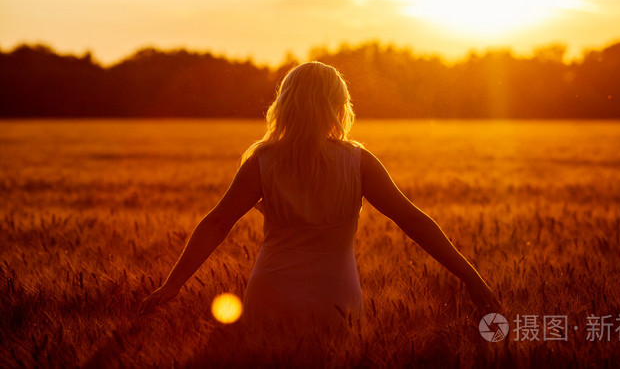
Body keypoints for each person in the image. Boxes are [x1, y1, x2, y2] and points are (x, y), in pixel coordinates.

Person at [140, 61, 501, 328]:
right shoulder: (359, 161)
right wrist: (472, 278)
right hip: (337, 301)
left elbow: (218, 223)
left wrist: (172, 285)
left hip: (270, 296)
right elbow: (413, 221)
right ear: (338, 106)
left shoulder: (262, 162)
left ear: (285, 103)